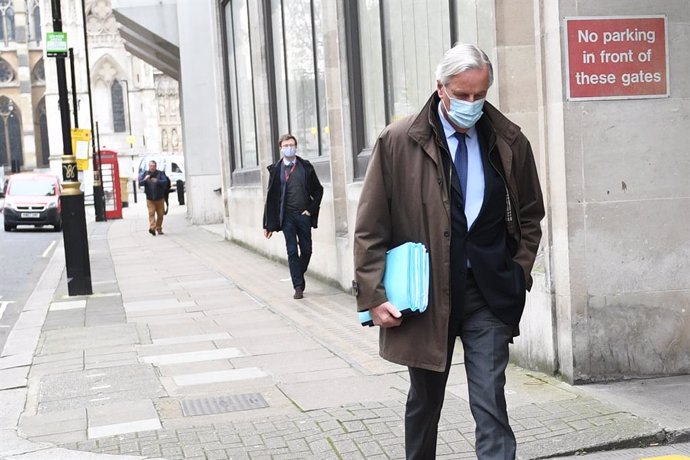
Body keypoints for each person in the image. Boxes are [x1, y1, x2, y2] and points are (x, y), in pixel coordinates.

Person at [353, 43, 545, 459]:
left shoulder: (509, 139)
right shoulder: (399, 141)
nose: (472, 104)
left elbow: (531, 215)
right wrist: (374, 295)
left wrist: (519, 271)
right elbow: (370, 227)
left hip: (488, 291)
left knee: (490, 402)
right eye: (462, 95)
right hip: (424, 296)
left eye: (480, 95)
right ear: (441, 88)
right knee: (424, 403)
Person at [263, 134, 324, 299]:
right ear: (280, 148)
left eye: (292, 144)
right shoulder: (276, 170)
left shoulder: (306, 167)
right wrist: (268, 224)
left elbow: (318, 190)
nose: (289, 147)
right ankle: (298, 287)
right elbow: (271, 198)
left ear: (296, 147)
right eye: (286, 145)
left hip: (303, 215)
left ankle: (298, 273)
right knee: (291, 251)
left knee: (307, 250)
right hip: (287, 217)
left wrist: (310, 210)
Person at [139, 160, 169, 236]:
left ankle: (158, 228)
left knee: (160, 215)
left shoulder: (160, 173)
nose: (151, 167)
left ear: (155, 166)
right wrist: (145, 179)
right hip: (150, 199)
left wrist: (157, 181)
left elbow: (165, 182)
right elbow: (140, 183)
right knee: (151, 213)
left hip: (160, 198)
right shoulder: (145, 173)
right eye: (150, 166)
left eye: (153, 166)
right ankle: (152, 228)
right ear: (149, 166)